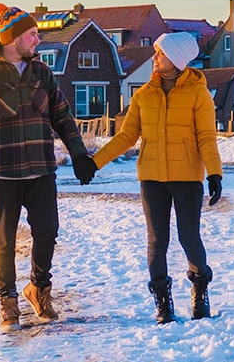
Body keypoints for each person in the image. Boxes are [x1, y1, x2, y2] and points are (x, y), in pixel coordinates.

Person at [0, 3, 97, 332]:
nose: (38, 40)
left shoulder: (43, 74)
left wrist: (79, 154)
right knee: (4, 242)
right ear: (13, 38)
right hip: (2, 173)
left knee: (47, 232)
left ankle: (38, 289)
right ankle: (8, 304)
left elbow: (63, 118)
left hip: (41, 170)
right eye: (33, 34)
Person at [90, 31, 223, 324]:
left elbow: (206, 138)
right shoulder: (144, 95)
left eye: (160, 54)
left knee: (189, 238)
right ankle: (162, 302)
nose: (154, 58)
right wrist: (94, 163)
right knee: (156, 241)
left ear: (175, 60)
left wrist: (214, 173)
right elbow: (126, 135)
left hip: (187, 177)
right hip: (151, 177)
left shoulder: (198, 93)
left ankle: (200, 288)